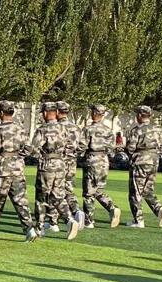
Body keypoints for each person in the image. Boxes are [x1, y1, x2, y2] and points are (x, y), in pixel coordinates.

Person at [0, 100, 38, 242]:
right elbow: (29, 148)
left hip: (2, 169)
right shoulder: (20, 129)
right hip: (17, 168)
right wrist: (18, 157)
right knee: (21, 200)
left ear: (1, 113)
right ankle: (29, 229)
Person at [30, 102, 79, 240]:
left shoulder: (42, 129)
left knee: (41, 197)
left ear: (45, 113)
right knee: (57, 195)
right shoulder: (64, 128)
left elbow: (34, 149)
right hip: (61, 164)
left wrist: (40, 156)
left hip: (46, 165)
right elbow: (71, 147)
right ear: (56, 113)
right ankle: (70, 220)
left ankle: (39, 228)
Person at [125, 105, 162, 228]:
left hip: (140, 160)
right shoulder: (158, 129)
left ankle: (138, 220)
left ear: (139, 115)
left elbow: (130, 148)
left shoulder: (137, 130)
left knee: (135, 191)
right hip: (154, 160)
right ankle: (159, 209)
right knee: (147, 190)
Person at [81, 104, 122, 228]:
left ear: (94, 113)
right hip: (104, 160)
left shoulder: (88, 129)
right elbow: (111, 148)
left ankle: (88, 220)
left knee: (88, 192)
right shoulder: (108, 131)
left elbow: (82, 146)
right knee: (98, 189)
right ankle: (112, 207)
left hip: (92, 160)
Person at [54, 101, 85, 229]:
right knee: (68, 189)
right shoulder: (76, 127)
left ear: (57, 111)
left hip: (58, 162)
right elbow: (83, 145)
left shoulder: (55, 127)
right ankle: (76, 210)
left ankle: (54, 220)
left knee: (55, 189)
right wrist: (73, 154)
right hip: (71, 162)